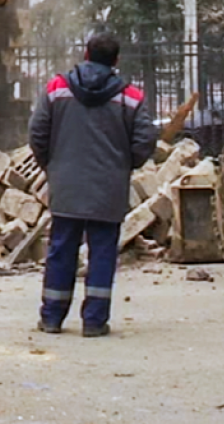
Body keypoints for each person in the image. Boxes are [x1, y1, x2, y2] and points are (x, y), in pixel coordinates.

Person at [28, 31, 160, 337]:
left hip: (66, 185)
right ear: (116, 60)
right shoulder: (131, 97)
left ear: (85, 55)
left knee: (61, 250)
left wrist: (53, 165)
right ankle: (94, 321)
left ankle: (51, 318)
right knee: (102, 253)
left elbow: (37, 133)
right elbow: (144, 142)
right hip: (108, 188)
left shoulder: (57, 89)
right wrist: (124, 166)